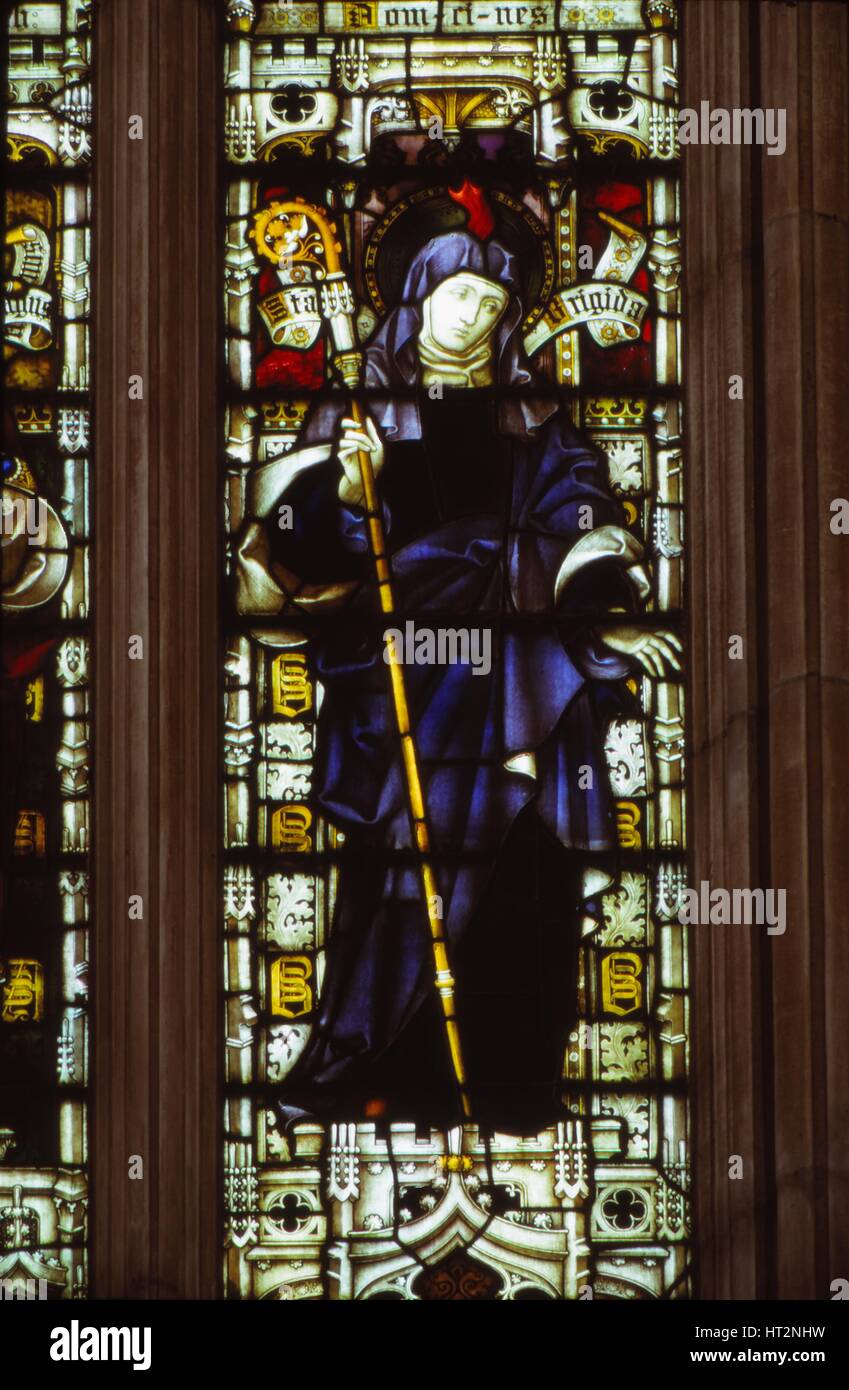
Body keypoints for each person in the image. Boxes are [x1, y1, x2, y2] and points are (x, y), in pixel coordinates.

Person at [245, 207, 681, 1133]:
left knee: (524, 872)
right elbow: (289, 547)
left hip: (523, 681)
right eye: (457, 294)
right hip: (407, 679)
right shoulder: (357, 411)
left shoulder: (538, 423)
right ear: (415, 301)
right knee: (402, 876)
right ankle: (372, 1070)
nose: (473, 316)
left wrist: (603, 622)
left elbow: (583, 517)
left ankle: (514, 1083)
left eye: (492, 300)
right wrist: (342, 488)